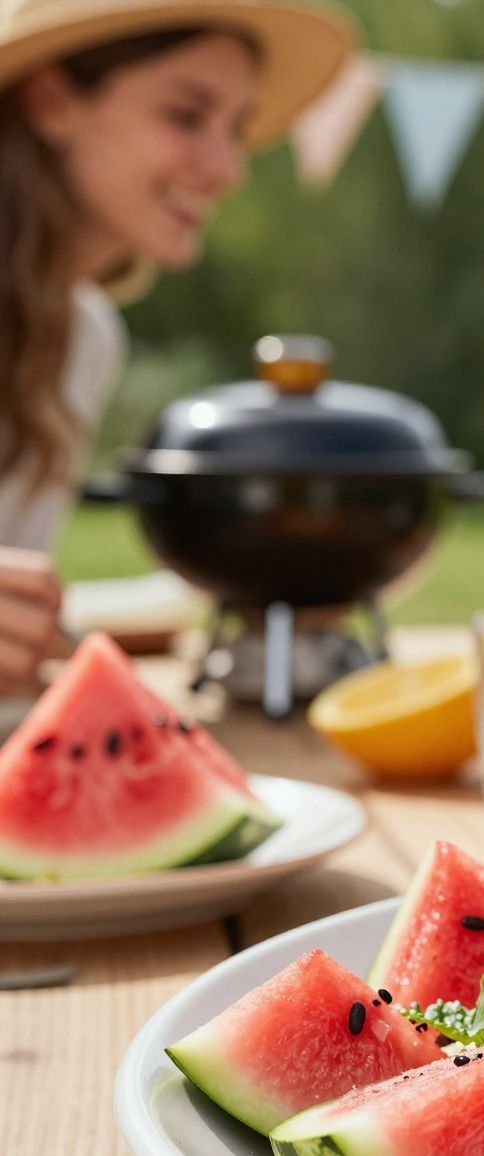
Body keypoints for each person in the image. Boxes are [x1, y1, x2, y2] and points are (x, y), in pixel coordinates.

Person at [0, 0, 354, 689]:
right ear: (51, 102)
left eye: (236, 129)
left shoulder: (86, 341)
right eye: (186, 116)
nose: (227, 169)